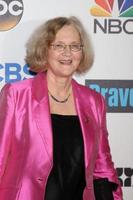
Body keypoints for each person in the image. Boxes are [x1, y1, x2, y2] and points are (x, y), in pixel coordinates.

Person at [0, 16, 123, 200]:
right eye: (59, 46)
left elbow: (102, 164)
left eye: (74, 46)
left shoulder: (94, 101)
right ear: (44, 50)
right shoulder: (16, 94)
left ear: (82, 52)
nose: (68, 53)